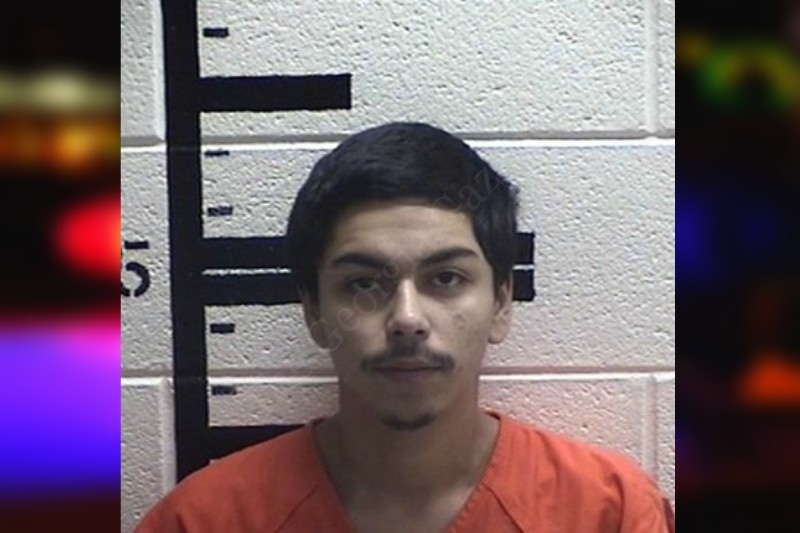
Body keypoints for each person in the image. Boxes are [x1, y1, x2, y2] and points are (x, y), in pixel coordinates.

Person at [134, 122, 675, 532]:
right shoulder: (203, 521)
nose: (408, 319)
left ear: (501, 302)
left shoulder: (609, 511)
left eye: (446, 278)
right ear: (314, 313)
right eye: (363, 283)